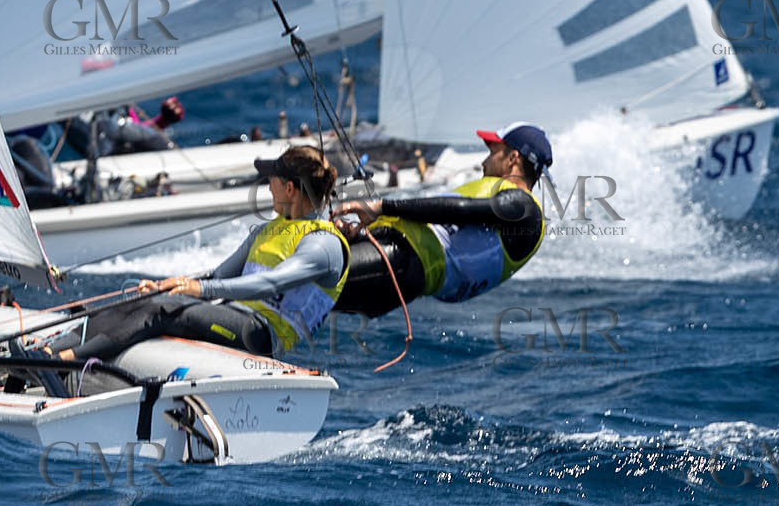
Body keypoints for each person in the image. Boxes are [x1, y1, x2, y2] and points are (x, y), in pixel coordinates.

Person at [47, 146, 350, 361]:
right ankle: (48, 350)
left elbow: (270, 284)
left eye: (271, 180)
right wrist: (170, 285)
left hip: (262, 336)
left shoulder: (323, 245)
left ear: (290, 189)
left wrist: (199, 289)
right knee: (141, 299)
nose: (267, 187)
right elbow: (218, 276)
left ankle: (64, 361)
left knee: (162, 310)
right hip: (233, 315)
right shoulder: (268, 230)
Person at [332, 122, 551, 316]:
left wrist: (382, 207)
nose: (484, 162)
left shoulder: (524, 208)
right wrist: (357, 233)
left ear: (513, 158)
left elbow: (460, 210)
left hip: (398, 260)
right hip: (399, 273)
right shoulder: (508, 210)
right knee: (309, 297)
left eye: (493, 153)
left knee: (312, 278)